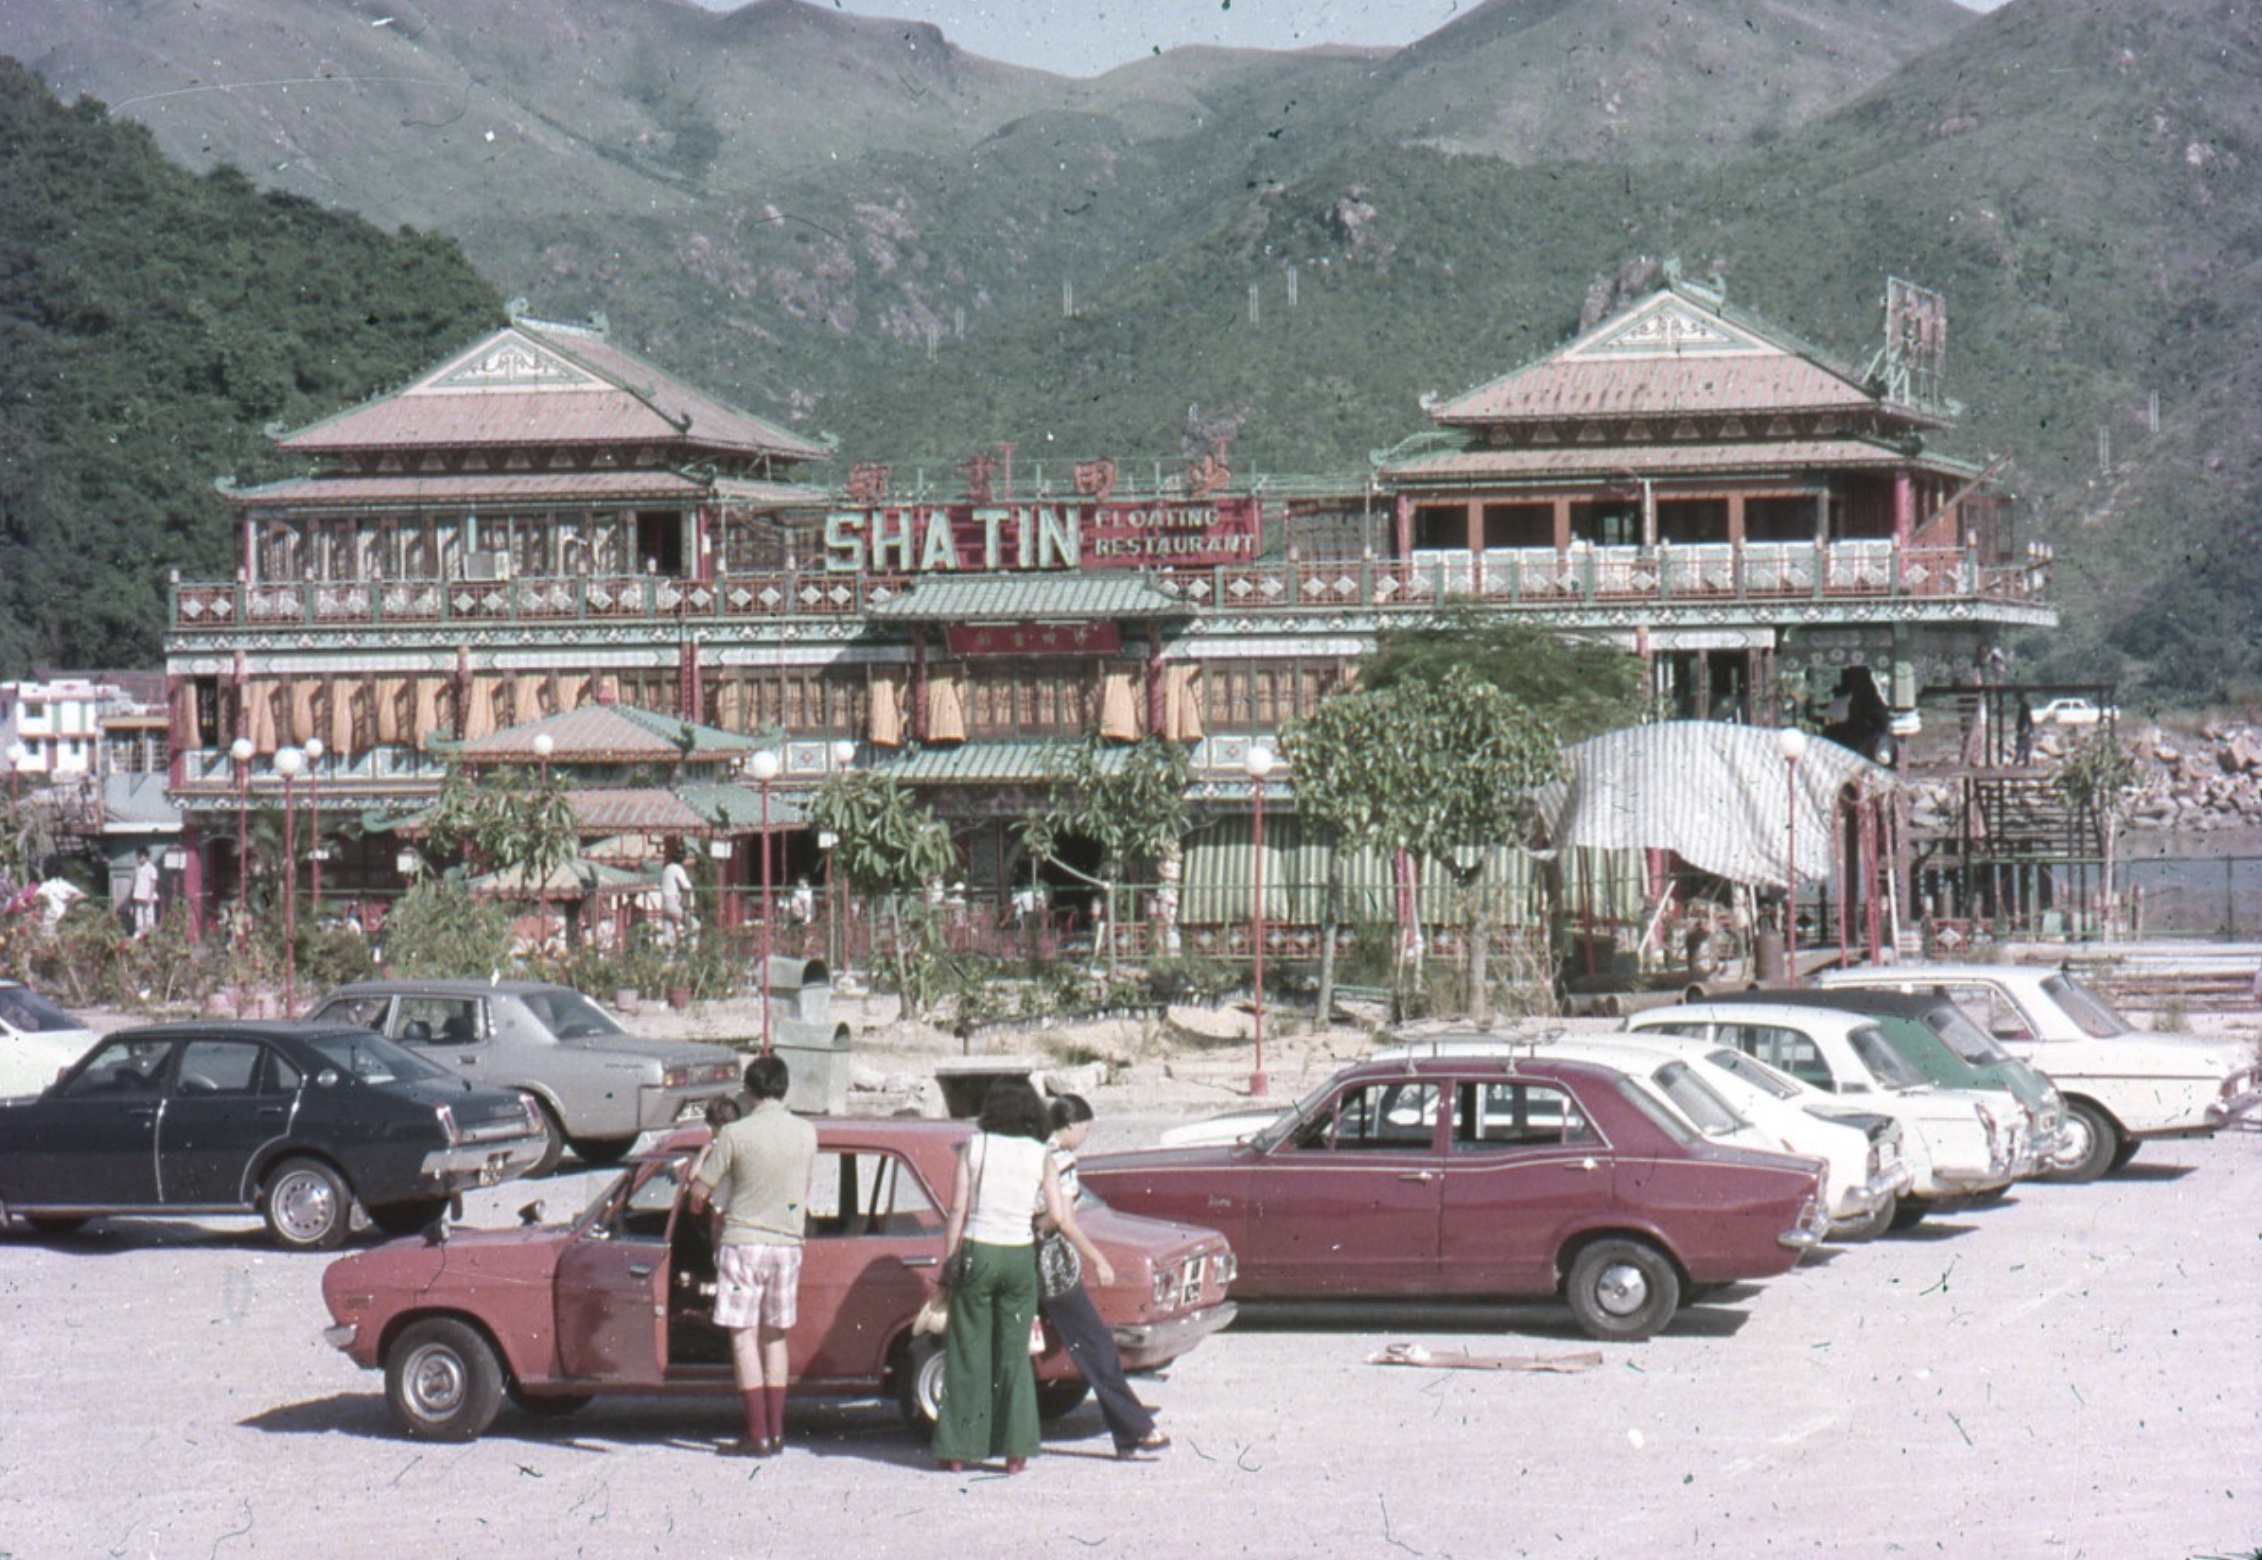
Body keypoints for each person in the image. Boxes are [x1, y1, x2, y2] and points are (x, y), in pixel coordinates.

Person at [932, 1079, 1110, 1474]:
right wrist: (1034, 1229)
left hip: (979, 1248)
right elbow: (1058, 1215)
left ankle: (960, 1448)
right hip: (1018, 1255)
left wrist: (949, 1262)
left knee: (968, 1351)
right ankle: (1016, 1450)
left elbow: (957, 1208)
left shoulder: (974, 1147)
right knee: (1014, 1353)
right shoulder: (1039, 1154)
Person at [688, 1053, 817, 1458]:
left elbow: (700, 1194)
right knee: (774, 1336)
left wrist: (697, 1202)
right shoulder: (807, 1132)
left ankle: (756, 1432)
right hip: (787, 1244)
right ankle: (777, 1432)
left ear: (749, 1090)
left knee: (743, 1338)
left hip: (744, 1241)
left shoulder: (734, 1135)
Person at [1038, 1094, 1169, 1457]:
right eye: (1083, 1129)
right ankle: (1135, 1429)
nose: (1084, 1136)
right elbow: (1060, 1219)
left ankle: (1130, 1431)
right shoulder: (1060, 1159)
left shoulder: (1035, 1150)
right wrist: (1097, 1258)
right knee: (1095, 1344)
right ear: (1068, 1126)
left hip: (1025, 1256)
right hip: (1050, 1262)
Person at [657, 847, 694, 946]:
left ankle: (669, 954)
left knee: (668, 930)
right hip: (673, 902)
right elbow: (686, 886)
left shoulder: (667, 868)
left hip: (664, 903)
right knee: (691, 923)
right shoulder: (678, 869)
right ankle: (688, 946)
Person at [129, 849, 160, 938]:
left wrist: (150, 896)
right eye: (139, 856)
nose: (140, 858)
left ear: (146, 857)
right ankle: (139, 932)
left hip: (147, 896)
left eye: (142, 856)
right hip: (138, 895)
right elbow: (134, 881)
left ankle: (149, 934)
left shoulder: (151, 868)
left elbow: (153, 883)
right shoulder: (137, 868)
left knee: (149, 915)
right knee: (139, 915)